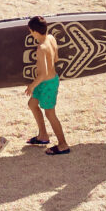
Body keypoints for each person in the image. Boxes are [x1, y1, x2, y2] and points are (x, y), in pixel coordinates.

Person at [23, 15, 68, 154]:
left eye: (30, 31)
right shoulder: (51, 38)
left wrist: (31, 86)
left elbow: (43, 74)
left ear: (34, 31)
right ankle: (43, 136)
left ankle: (63, 144)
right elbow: (56, 58)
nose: (30, 33)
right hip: (46, 81)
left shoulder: (41, 48)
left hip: (47, 83)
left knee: (50, 113)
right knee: (32, 104)